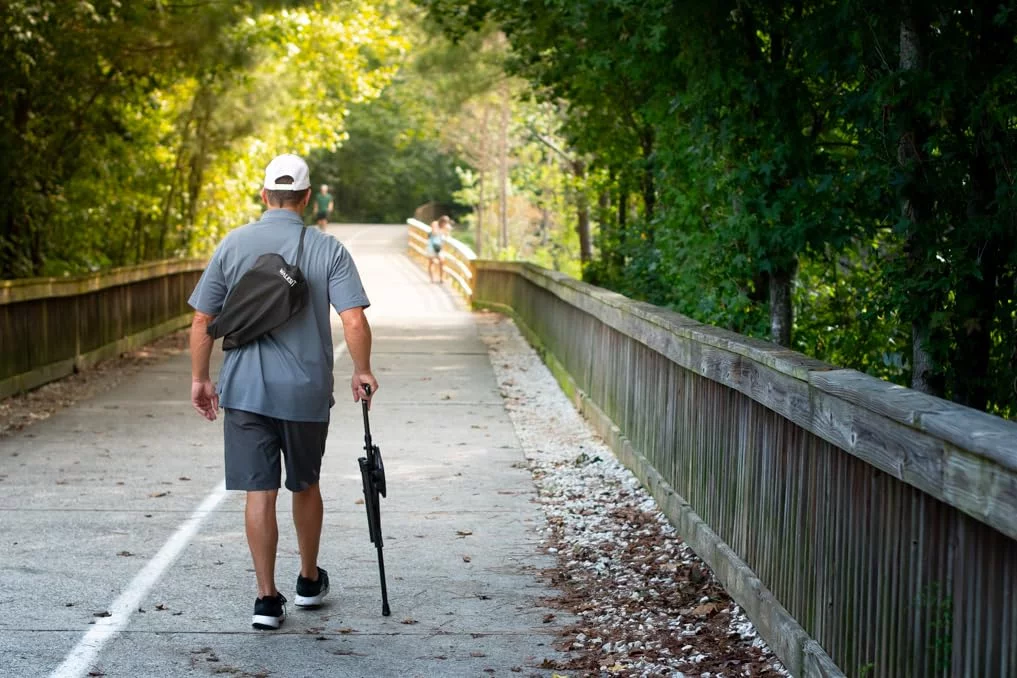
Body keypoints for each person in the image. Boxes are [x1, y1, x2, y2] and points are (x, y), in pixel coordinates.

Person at [188, 153, 378, 630]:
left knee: (259, 491)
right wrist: (362, 370)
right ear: (308, 198)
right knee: (305, 483)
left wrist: (200, 378)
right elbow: (352, 318)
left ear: (263, 194)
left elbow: (202, 320)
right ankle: (309, 582)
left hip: (246, 391)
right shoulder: (327, 248)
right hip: (305, 392)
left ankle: (266, 599)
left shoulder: (233, 244)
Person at [427, 215, 452, 283]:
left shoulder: (445, 228)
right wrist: (443, 230)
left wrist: (447, 230)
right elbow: (434, 232)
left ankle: (441, 278)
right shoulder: (435, 223)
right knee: (431, 262)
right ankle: (432, 279)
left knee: (442, 261)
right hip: (431, 246)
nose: (445, 224)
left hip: (439, 247)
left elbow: (447, 236)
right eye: (444, 222)